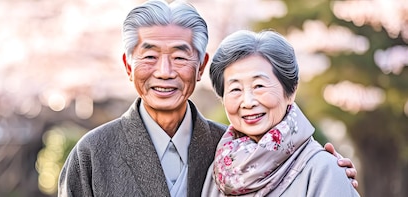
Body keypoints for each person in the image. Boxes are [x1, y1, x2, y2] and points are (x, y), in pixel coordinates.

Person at [58, 1, 357, 196]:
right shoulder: (93, 154)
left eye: (179, 56)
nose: (164, 72)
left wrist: (329, 174)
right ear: (127, 65)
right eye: (149, 56)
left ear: (201, 66)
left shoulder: (229, 151)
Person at [201, 30, 360, 196]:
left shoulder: (323, 170)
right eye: (235, 89)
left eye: (259, 86)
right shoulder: (218, 172)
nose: (248, 102)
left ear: (291, 91)